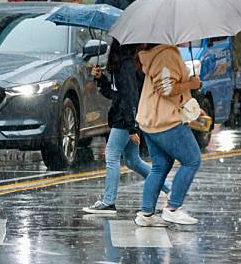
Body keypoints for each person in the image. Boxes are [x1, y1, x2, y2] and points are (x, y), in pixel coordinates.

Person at [82, 41, 153, 215]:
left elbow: (130, 97)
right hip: (125, 117)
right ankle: (168, 188)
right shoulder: (122, 66)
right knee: (132, 161)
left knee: (112, 155)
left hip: (124, 119)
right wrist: (101, 79)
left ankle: (108, 202)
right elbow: (114, 94)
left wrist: (131, 127)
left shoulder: (127, 66)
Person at [134, 44, 202, 227]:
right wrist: (192, 84)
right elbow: (166, 88)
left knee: (160, 166)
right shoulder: (166, 54)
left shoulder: (156, 53)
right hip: (165, 120)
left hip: (151, 119)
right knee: (192, 160)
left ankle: (146, 213)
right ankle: (173, 209)